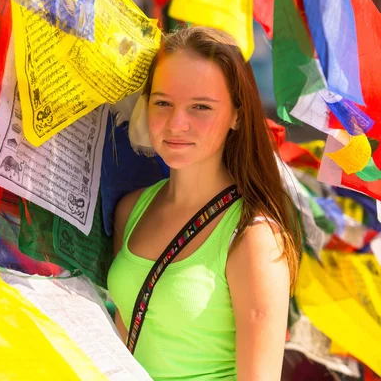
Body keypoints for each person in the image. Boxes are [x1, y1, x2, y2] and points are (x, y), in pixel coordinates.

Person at [107, 26, 301, 381]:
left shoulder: (253, 240)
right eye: (163, 102)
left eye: (200, 107)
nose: (176, 123)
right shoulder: (130, 210)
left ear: (237, 115)